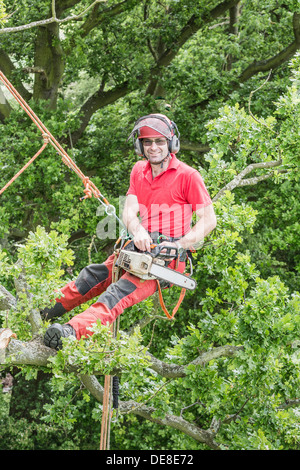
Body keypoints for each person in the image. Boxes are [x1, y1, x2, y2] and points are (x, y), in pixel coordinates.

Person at [43, 114, 217, 350]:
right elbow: (129, 212)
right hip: (135, 249)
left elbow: (209, 221)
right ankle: (42, 310)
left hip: (164, 263)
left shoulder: (188, 176)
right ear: (140, 145)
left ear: (171, 143)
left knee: (117, 293)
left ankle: (70, 332)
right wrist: (137, 231)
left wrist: (180, 245)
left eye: (159, 141)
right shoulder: (138, 170)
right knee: (91, 276)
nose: (153, 147)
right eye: (147, 142)